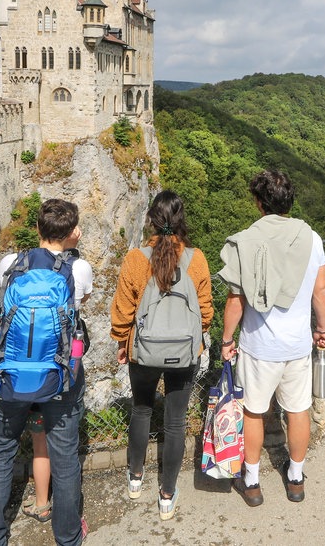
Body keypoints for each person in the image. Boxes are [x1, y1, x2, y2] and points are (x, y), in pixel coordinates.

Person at [0, 198, 93, 546]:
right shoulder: (78, 269)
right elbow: (79, 305)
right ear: (72, 233)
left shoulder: (12, 264)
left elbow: (2, 297)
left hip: (10, 375)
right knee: (65, 457)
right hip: (60, 375)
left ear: (37, 229)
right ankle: (68, 536)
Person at [220, 170, 325, 506]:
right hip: (297, 345)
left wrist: (226, 340)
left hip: (258, 345)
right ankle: (295, 477)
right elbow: (320, 291)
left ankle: (251, 481)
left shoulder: (244, 239)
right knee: (298, 410)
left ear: (258, 202)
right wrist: (322, 329)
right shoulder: (310, 237)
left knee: (254, 412)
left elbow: (236, 301)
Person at [110, 190, 214, 520]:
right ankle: (167, 494)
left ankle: (136, 479)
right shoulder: (196, 259)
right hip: (185, 352)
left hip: (143, 350)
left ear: (151, 220)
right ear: (181, 220)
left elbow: (124, 311)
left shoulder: (136, 259)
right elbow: (207, 311)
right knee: (175, 421)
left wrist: (121, 343)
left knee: (141, 411)